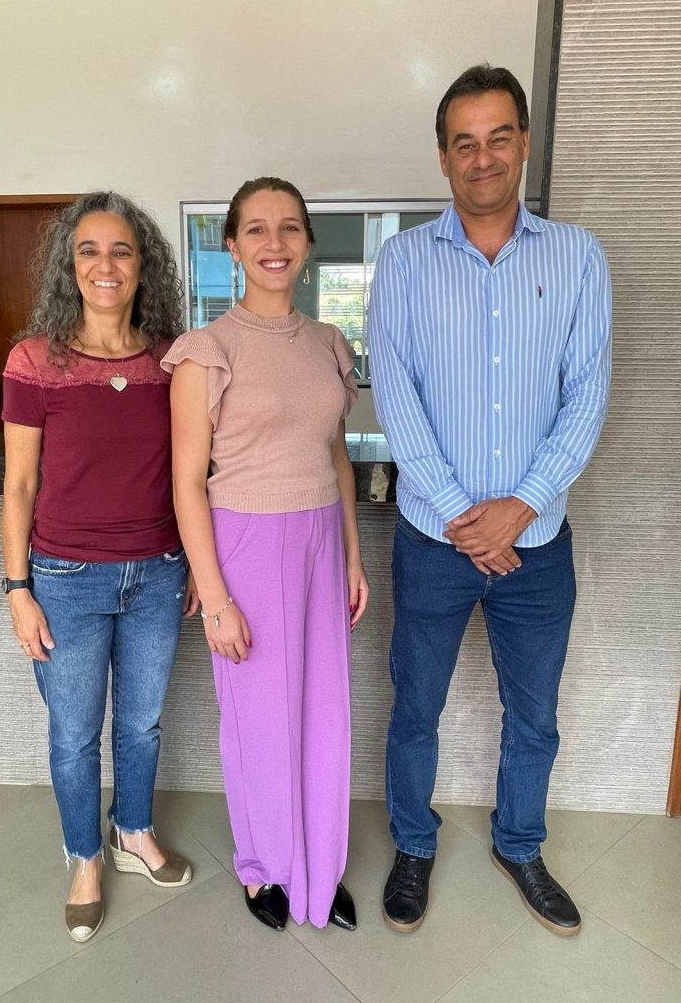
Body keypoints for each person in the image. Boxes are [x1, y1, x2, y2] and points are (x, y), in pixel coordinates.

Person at [368, 65, 611, 937]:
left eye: (498, 137)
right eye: (464, 142)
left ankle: (520, 844)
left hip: (537, 545)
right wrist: (465, 519)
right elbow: (397, 399)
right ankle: (413, 843)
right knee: (415, 708)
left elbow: (586, 395)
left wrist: (523, 506)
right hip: (432, 543)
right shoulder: (403, 263)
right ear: (443, 157)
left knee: (535, 715)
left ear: (524, 144)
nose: (483, 157)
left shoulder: (577, 257)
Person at [166, 177, 369, 932]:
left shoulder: (327, 344)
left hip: (321, 543)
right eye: (256, 229)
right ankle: (263, 868)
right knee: (258, 719)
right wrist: (215, 598)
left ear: (308, 244)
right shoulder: (207, 351)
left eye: (289, 228)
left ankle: (318, 865)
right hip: (245, 546)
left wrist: (352, 556)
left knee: (323, 714)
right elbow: (187, 483)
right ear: (232, 246)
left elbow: (336, 457)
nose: (274, 243)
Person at [1, 191, 197, 943]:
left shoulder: (171, 359)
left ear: (144, 265)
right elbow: (19, 485)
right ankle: (84, 856)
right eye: (89, 250)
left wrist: (192, 564)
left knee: (142, 725)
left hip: (157, 574)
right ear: (69, 264)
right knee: (75, 734)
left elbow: (190, 472)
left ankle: (132, 832)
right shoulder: (34, 361)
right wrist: (17, 589)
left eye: (122, 250)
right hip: (65, 580)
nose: (105, 264)